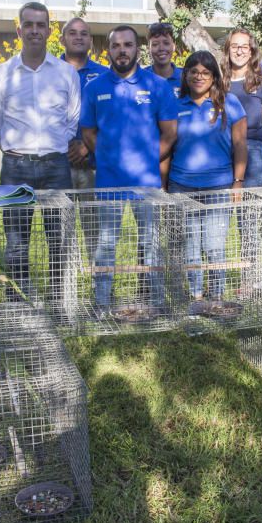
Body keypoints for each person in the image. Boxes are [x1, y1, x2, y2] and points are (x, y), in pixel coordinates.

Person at [0, 2, 81, 304]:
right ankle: (19, 303)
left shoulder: (66, 74)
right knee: (16, 241)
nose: (35, 30)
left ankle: (58, 300)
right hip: (16, 166)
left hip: (56, 165)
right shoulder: (0, 76)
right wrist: (17, 150)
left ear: (50, 31)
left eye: (41, 25)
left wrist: (51, 148)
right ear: (19, 30)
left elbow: (72, 120)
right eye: (29, 25)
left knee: (59, 238)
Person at [80, 25, 178, 313]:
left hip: (146, 184)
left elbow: (169, 134)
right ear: (108, 50)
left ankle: (157, 303)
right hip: (109, 182)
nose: (122, 50)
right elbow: (88, 132)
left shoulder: (157, 86)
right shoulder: (94, 87)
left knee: (151, 244)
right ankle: (102, 304)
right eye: (116, 45)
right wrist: (110, 158)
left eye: (128, 45)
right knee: (106, 245)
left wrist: (147, 160)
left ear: (138, 49)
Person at [168, 50, 248, 301]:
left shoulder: (230, 103)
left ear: (214, 76)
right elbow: (167, 145)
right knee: (190, 246)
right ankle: (196, 296)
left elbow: (241, 145)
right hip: (182, 186)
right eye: (193, 72)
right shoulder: (175, 105)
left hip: (219, 186)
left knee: (214, 245)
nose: (199, 77)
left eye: (205, 72)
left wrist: (238, 182)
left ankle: (216, 296)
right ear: (186, 75)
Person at [221, 27, 262, 291]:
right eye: (235, 45)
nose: (240, 50)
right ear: (228, 49)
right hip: (222, 152)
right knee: (222, 216)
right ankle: (219, 277)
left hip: (253, 151)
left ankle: (251, 278)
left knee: (249, 218)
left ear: (252, 50)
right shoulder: (219, 80)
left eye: (245, 46)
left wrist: (258, 158)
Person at [60, 17, 109, 190]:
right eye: (72, 33)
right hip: (59, 166)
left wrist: (87, 146)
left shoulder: (105, 75)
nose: (78, 37)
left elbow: (111, 118)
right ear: (62, 39)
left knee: (93, 217)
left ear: (91, 41)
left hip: (94, 165)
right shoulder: (50, 72)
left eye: (84, 33)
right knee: (63, 217)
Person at [147, 22, 182, 98]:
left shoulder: (186, 78)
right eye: (155, 44)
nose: (161, 48)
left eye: (166, 43)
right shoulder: (141, 78)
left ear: (173, 47)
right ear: (148, 48)